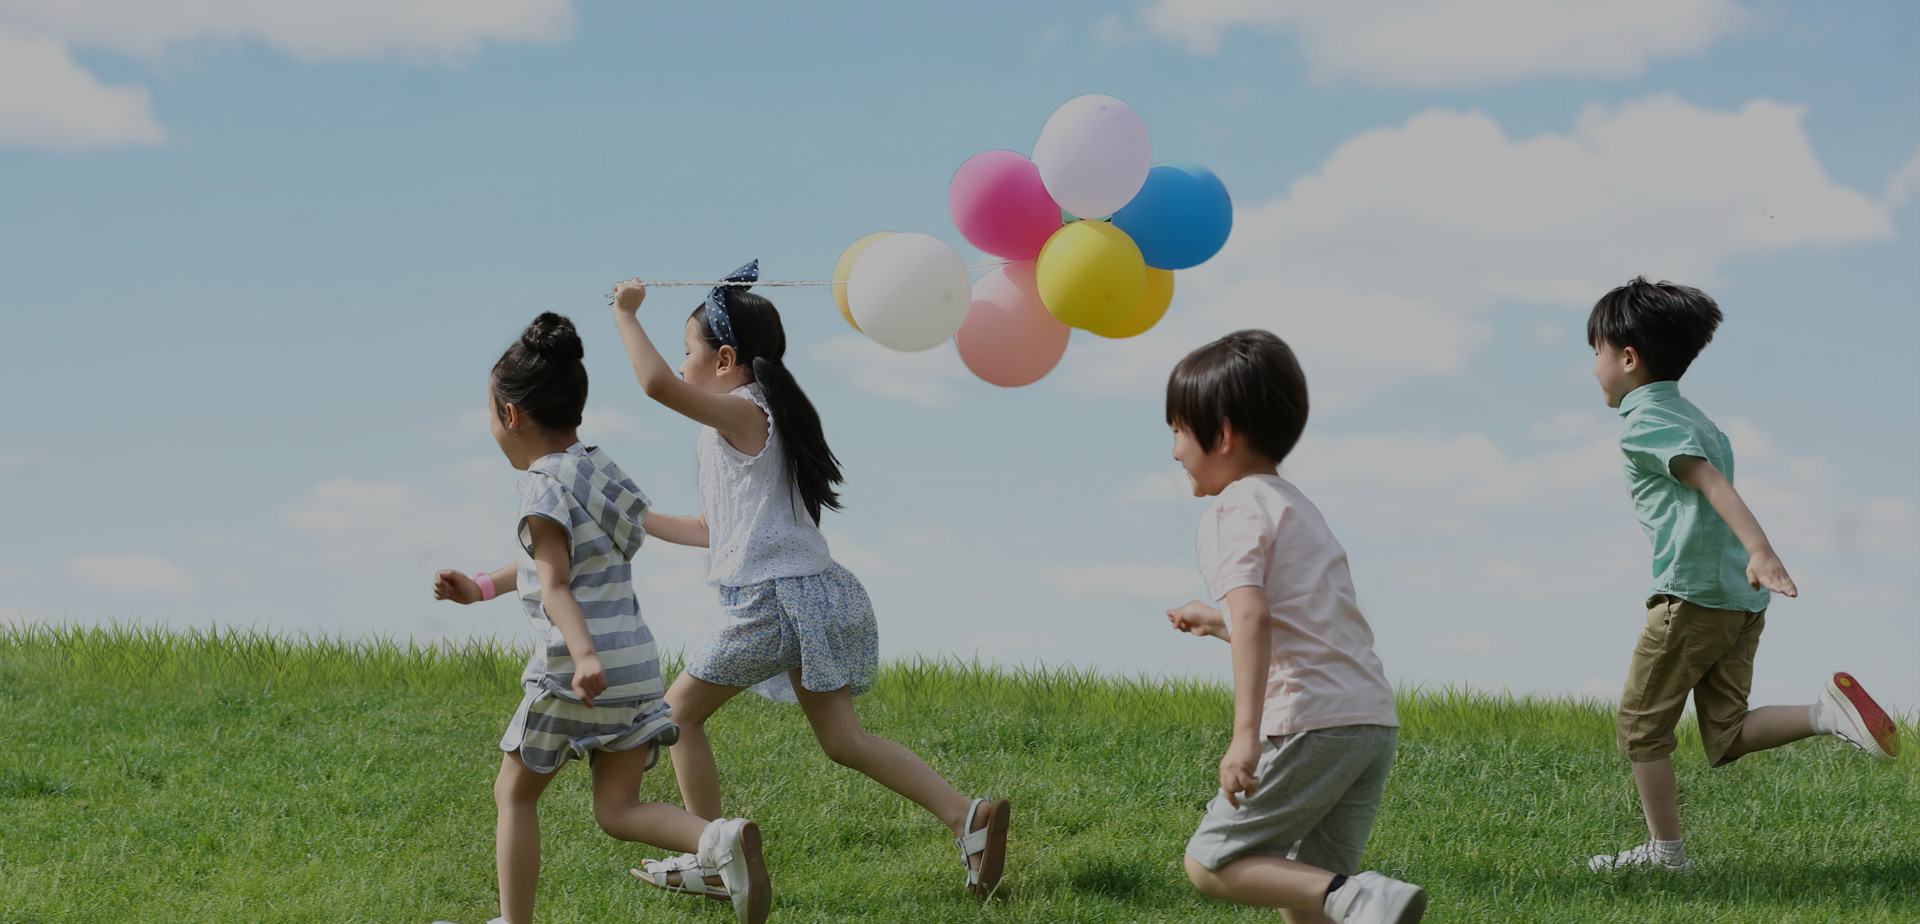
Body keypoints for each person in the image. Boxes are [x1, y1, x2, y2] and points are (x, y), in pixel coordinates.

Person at [607, 263, 1009, 900]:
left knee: (675, 716)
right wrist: (628, 517)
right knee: (845, 740)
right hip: (813, 593)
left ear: (725, 359)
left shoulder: (744, 412)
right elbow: (711, 529)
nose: (681, 364)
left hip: (773, 600)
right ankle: (967, 816)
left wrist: (626, 313)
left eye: (688, 350)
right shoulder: (751, 421)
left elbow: (656, 385)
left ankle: (714, 856)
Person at [430, 312, 770, 924]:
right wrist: (479, 588)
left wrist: (583, 654)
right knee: (618, 809)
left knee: (514, 792)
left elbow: (556, 583)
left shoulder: (540, 485)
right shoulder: (596, 468)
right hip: (635, 665)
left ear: (511, 415)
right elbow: (557, 562)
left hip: (576, 670)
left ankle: (513, 921)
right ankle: (714, 838)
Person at [1584, 277, 1900, 874]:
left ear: (1627, 358)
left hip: (1690, 598)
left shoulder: (1646, 420)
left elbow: (1710, 483)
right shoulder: (1696, 417)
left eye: (1595, 352)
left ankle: (1666, 856)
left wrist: (1761, 549)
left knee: (1641, 730)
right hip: (1740, 600)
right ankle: (1826, 714)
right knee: (1725, 735)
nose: (1592, 367)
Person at [1164, 330, 1425, 924]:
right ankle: (1354, 900)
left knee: (1212, 862)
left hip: (1309, 721)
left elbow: (1255, 614)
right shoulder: (1296, 505)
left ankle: (1362, 895)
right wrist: (1219, 622)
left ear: (1221, 435)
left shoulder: (1230, 510)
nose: (1174, 450)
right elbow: (1299, 623)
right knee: (1305, 896)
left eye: (1178, 430)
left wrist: (1245, 736)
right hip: (1367, 722)